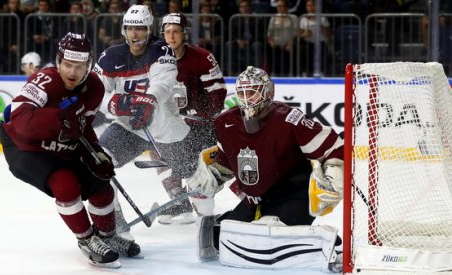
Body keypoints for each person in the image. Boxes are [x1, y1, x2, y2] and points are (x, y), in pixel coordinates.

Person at [0, 32, 140, 269]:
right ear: (58, 62)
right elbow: (17, 117)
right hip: (25, 146)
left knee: (101, 186)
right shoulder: (46, 80)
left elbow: (81, 128)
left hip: (61, 142)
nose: (72, 72)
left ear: (89, 65)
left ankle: (107, 237)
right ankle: (86, 240)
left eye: (79, 66)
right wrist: (58, 118)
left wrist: (96, 152)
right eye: (67, 65)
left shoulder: (94, 87)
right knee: (65, 184)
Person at [186, 66, 344, 270]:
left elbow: (335, 148)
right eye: (242, 92)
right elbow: (227, 160)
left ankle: (334, 248)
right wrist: (210, 175)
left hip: (293, 194)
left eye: (251, 92)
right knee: (217, 237)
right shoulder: (226, 122)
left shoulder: (289, 120)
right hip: (255, 200)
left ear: (268, 92)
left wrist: (332, 177)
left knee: (270, 238)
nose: (246, 98)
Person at [92, 5, 197, 232]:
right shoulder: (111, 56)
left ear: (149, 29)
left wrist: (148, 100)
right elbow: (94, 90)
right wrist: (112, 103)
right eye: (130, 28)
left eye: (140, 28)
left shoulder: (161, 50)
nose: (135, 34)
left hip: (165, 126)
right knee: (98, 165)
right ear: (124, 30)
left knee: (194, 175)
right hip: (130, 127)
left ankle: (188, 205)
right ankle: (114, 221)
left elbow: (163, 82)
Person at [155, 12, 227, 223]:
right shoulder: (156, 61)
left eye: (176, 31)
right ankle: (180, 204)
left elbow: (218, 93)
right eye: (167, 32)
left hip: (200, 126)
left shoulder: (202, 57)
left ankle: (206, 211)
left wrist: (203, 115)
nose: (172, 36)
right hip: (173, 125)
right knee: (160, 155)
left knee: (202, 168)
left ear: (184, 33)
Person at [266, 0, 298, 76]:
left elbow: (295, 32)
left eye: (282, 6)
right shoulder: (273, 18)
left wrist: (290, 43)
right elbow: (269, 33)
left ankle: (289, 73)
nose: (280, 8)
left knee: (291, 50)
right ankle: (274, 73)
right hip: (276, 43)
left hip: (288, 43)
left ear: (287, 7)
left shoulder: (293, 18)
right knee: (270, 49)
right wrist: (271, 41)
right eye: (278, 6)